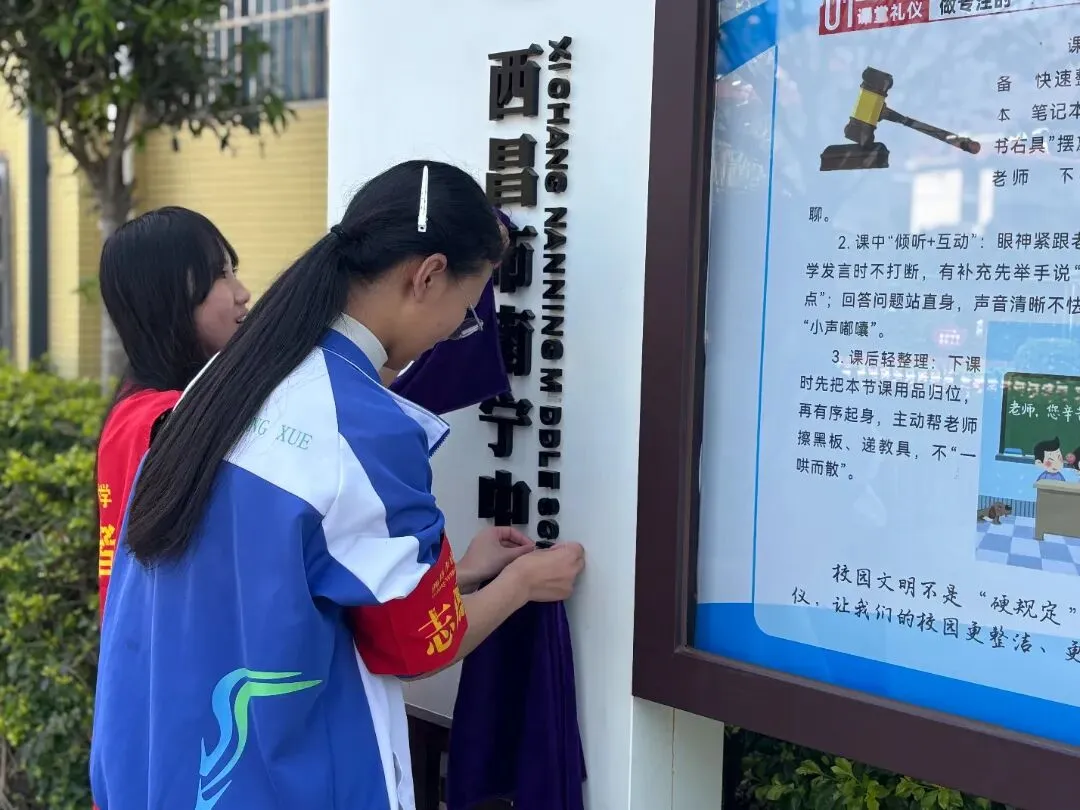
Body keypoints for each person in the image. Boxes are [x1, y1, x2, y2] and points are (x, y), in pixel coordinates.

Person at [91, 160, 586, 810]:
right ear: (428, 275)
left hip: (163, 775)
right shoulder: (363, 425)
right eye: (467, 311)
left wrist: (459, 572)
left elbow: (279, 574)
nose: (455, 331)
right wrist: (524, 583)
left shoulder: (225, 379)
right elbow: (417, 646)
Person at [95, 206, 251, 617]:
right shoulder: (166, 419)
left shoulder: (138, 410)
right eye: (219, 275)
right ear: (168, 297)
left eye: (233, 271)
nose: (242, 293)